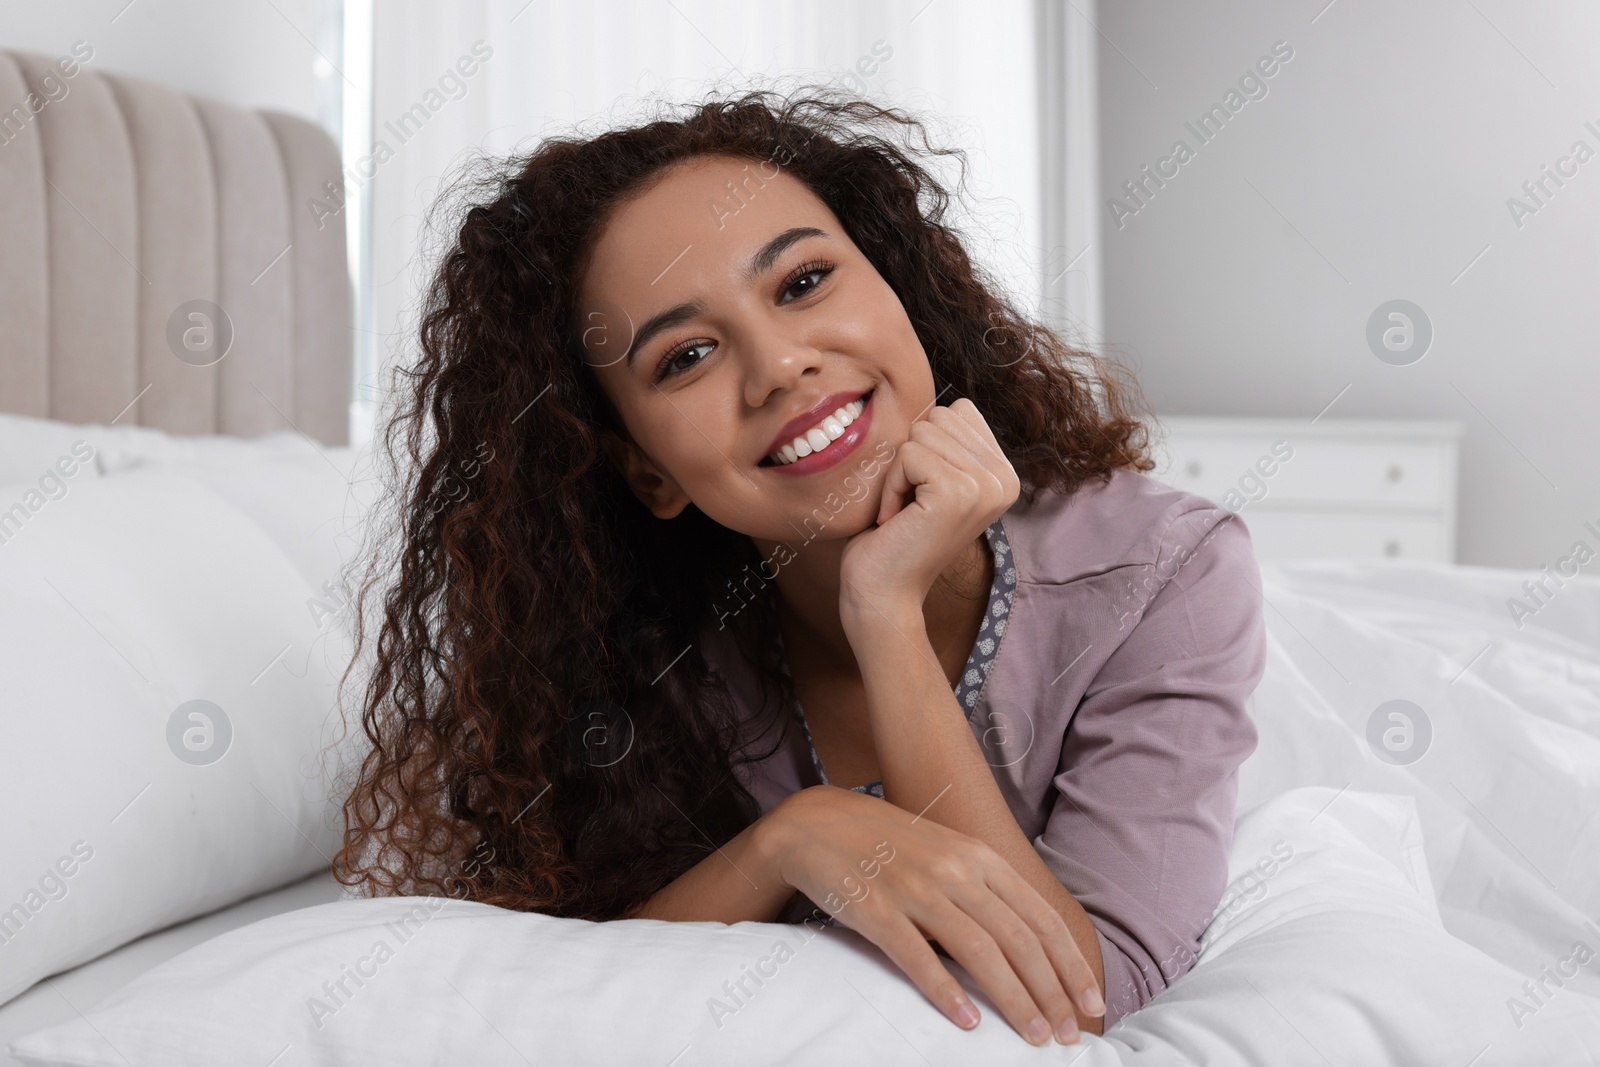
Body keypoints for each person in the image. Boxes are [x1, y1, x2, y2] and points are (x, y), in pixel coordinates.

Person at [331, 87, 1266, 1049]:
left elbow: (1085, 1003)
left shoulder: (1169, 572)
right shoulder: (646, 653)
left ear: (900, 289)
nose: (778, 365)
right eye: (686, 354)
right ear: (648, 470)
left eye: (804, 282)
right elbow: (568, 969)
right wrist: (794, 839)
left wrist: (886, 614)